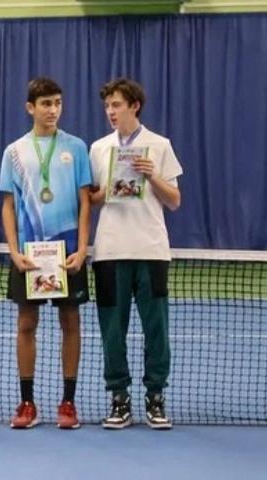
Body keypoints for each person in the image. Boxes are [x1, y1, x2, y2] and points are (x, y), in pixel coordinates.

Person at [0, 77, 92, 430]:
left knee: (71, 323)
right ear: (30, 108)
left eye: (57, 103)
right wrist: (13, 251)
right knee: (26, 325)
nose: (53, 110)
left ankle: (68, 403)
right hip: (30, 252)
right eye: (46, 104)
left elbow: (85, 202)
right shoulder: (14, 152)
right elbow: (8, 205)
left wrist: (82, 249)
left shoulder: (76, 148)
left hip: (67, 251)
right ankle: (27, 404)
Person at [89, 77, 182, 430]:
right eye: (107, 106)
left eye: (116, 105)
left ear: (134, 106)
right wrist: (110, 187)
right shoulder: (99, 148)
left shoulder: (159, 145)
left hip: (152, 251)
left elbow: (174, 200)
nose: (111, 112)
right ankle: (119, 398)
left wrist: (152, 175)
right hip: (110, 251)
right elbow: (91, 199)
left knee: (157, 329)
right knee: (112, 331)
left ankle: (155, 398)